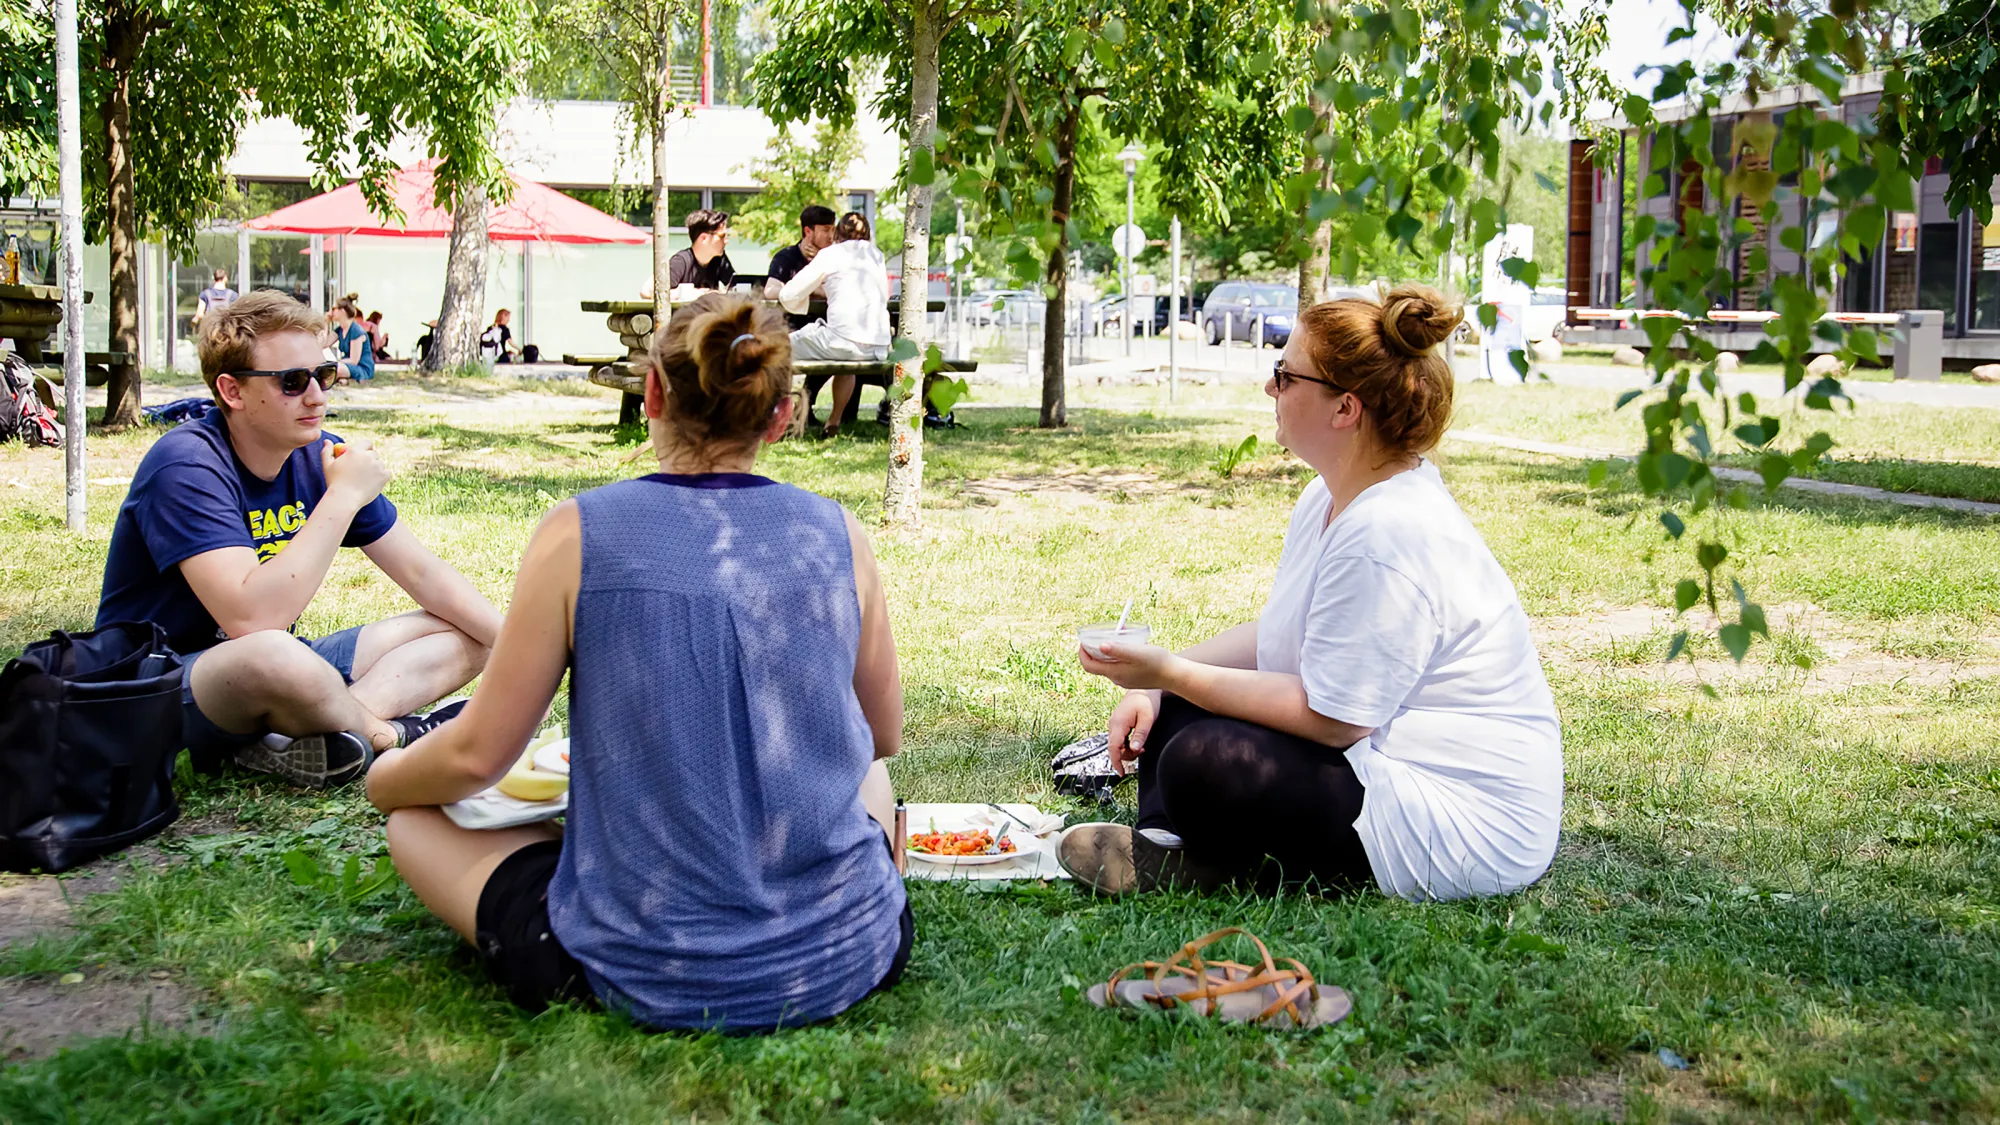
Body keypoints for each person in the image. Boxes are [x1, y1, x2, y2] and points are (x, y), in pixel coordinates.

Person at [370, 292, 910, 1032]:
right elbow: (880, 737)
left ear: (652, 391)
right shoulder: (838, 533)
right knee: (873, 774)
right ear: (781, 417)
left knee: (414, 826)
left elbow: (476, 755)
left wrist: (385, 778)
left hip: (638, 965)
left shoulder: (577, 532)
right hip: (852, 950)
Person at [1058, 285, 1563, 902]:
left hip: (1460, 820)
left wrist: (1171, 673)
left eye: (1284, 374)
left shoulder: (1388, 531)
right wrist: (1160, 681)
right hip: (1376, 761)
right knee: (1180, 709)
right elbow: (1277, 637)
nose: (1270, 388)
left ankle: (1202, 861)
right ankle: (1175, 854)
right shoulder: (1331, 496)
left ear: (1344, 408)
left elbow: (1333, 719)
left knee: (1209, 755)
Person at [95, 291, 502, 788]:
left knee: (470, 632)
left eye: (323, 375)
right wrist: (342, 498)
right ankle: (388, 735)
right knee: (274, 653)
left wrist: (524, 652)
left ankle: (306, 740)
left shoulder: (320, 457)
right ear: (232, 391)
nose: (317, 396)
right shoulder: (186, 464)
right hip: (165, 682)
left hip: (283, 665)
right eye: (293, 382)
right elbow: (252, 620)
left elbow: (422, 573)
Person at [779, 211, 890, 437]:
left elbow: (789, 294)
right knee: (845, 360)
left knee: (778, 349)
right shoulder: (876, 255)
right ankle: (834, 421)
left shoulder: (831, 254)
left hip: (843, 342)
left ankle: (782, 419)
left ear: (838, 233)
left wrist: (814, 292)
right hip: (878, 348)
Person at [667, 209, 736, 291]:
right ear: (704, 238)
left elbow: (736, 287)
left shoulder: (720, 260)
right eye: (721, 236)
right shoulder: (680, 262)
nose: (726, 241)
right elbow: (650, 290)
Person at [330, 299, 375, 382]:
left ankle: (340, 378)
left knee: (336, 369)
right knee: (328, 369)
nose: (331, 312)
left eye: (333, 309)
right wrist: (326, 323)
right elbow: (323, 344)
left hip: (361, 367)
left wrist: (335, 362)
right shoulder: (340, 330)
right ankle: (341, 379)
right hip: (347, 365)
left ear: (342, 311)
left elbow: (354, 360)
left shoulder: (356, 330)